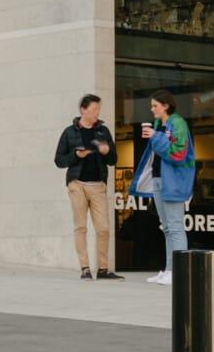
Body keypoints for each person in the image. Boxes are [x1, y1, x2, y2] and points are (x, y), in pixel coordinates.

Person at [130, 89, 195, 286]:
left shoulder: (178, 123)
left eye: (155, 106)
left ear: (166, 105)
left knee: (175, 227)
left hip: (173, 182)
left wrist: (155, 137)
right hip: (160, 180)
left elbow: (178, 154)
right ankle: (169, 270)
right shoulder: (161, 124)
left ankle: (179, 271)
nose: (152, 109)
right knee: (167, 228)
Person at [54, 93, 121, 280]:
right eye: (93, 109)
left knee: (104, 228)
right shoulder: (69, 132)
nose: (96, 113)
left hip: (98, 185)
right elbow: (59, 160)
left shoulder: (103, 131)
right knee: (81, 227)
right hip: (77, 184)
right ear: (83, 110)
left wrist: (107, 151)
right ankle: (84, 268)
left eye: (98, 109)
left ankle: (103, 269)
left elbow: (113, 160)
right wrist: (77, 156)